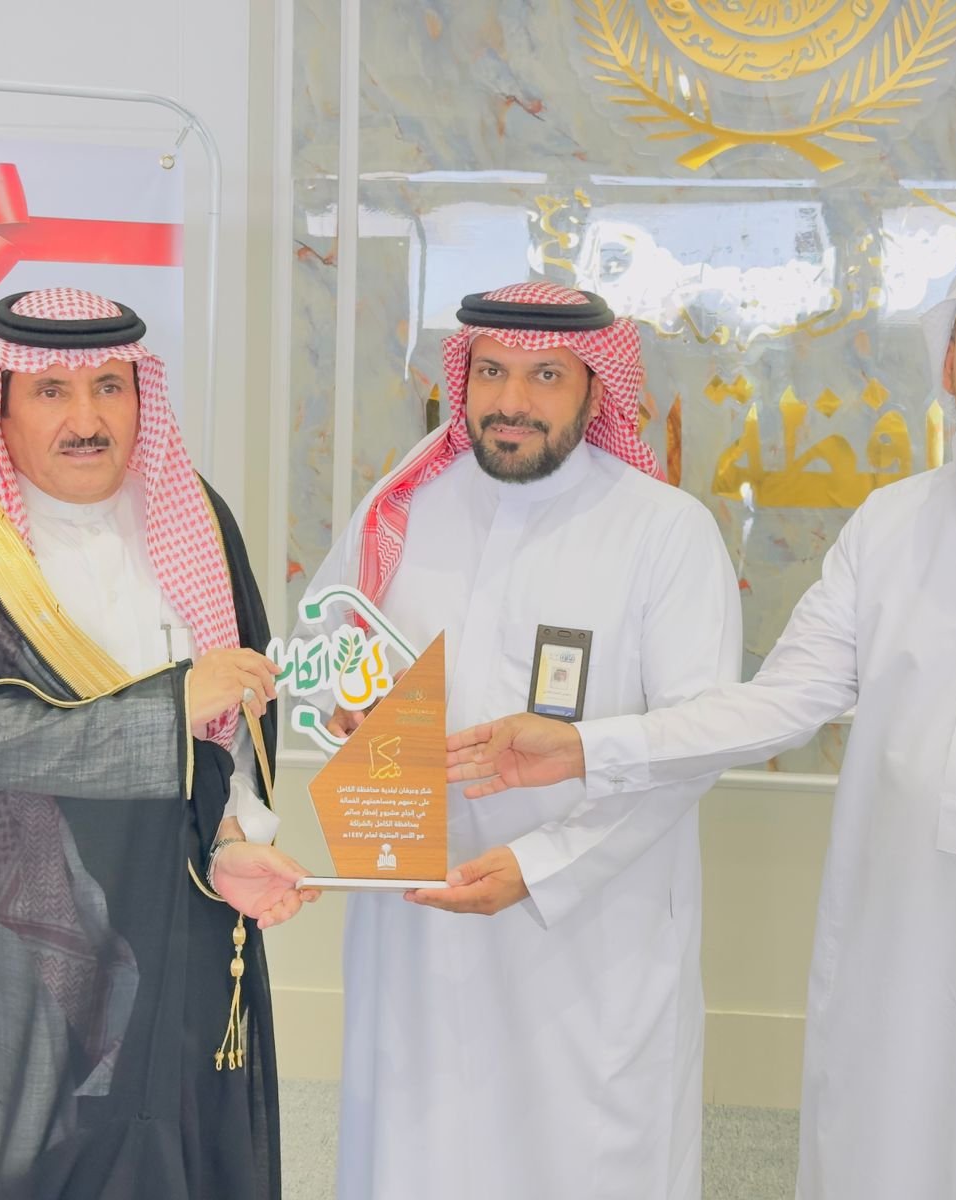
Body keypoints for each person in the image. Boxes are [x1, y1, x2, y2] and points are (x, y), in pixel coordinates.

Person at [448, 242, 956, 1199]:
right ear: (949, 362)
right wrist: (589, 747)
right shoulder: (893, 525)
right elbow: (780, 701)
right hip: (903, 989)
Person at [0, 288, 317, 1200]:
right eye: (51, 391)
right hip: (17, 941)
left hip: (181, 918)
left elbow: (237, 720)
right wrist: (167, 707)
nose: (88, 419)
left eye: (110, 386)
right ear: (2, 407)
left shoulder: (196, 514)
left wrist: (230, 841)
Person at [300, 282, 740, 1200]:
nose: (511, 401)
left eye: (546, 376)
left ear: (596, 387)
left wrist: (539, 866)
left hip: (587, 931)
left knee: (577, 1158)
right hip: (417, 922)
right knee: (417, 1151)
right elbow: (325, 647)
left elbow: (693, 742)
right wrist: (345, 708)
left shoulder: (664, 531)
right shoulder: (403, 506)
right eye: (492, 371)